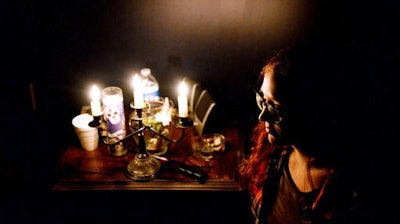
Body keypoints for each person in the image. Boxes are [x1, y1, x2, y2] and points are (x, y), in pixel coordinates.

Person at [238, 45, 360, 224]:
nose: (262, 115)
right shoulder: (272, 155)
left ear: (308, 111)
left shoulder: (345, 195)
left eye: (275, 107)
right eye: (263, 100)